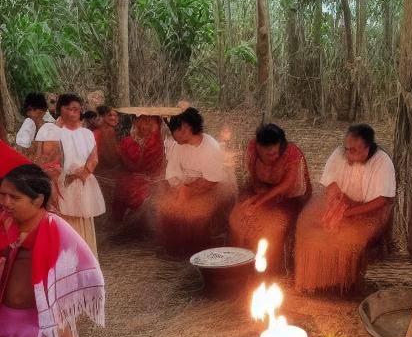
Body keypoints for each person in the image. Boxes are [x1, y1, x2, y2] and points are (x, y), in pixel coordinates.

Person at [0, 141, 105, 337]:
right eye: (2, 195)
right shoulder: (8, 224)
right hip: (6, 315)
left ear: (38, 200)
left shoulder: (55, 227)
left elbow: (89, 270)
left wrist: (62, 314)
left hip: (37, 320)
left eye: (13, 198)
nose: (5, 202)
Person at [295, 124, 396, 295]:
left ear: (367, 148)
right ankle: (316, 282)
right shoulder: (339, 153)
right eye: (347, 148)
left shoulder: (382, 162)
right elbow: (331, 183)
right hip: (343, 202)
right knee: (308, 224)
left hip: (371, 211)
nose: (348, 153)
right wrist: (335, 202)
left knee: (348, 236)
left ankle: (343, 286)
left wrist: (348, 214)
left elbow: (382, 200)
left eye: (354, 150)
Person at [229, 124, 311, 272]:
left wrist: (260, 201)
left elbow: (288, 185)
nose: (274, 156)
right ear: (259, 147)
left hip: (290, 197)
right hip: (262, 189)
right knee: (237, 216)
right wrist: (255, 198)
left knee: (273, 224)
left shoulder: (292, 153)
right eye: (268, 154)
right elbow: (253, 177)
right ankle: (240, 263)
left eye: (275, 153)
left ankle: (272, 267)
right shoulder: (252, 148)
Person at [155, 107, 235, 255]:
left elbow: (212, 181)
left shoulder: (210, 147)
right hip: (185, 184)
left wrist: (187, 191)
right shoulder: (178, 146)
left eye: (175, 129)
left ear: (186, 128)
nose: (172, 134)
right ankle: (174, 248)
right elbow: (173, 171)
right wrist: (178, 189)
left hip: (213, 188)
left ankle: (198, 251)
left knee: (196, 213)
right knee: (166, 207)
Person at [34, 94, 105, 257]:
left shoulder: (87, 134)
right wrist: (63, 178)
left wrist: (83, 173)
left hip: (83, 182)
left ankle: (86, 260)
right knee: (64, 221)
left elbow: (94, 158)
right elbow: (47, 161)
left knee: (83, 221)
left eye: (77, 109)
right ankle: (66, 262)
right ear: (60, 109)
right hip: (59, 183)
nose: (74, 113)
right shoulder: (50, 130)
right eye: (69, 109)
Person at [112, 114, 165, 223]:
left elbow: (144, 168)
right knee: (125, 183)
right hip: (135, 177)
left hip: (150, 179)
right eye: (141, 121)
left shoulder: (156, 143)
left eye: (148, 122)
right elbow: (123, 165)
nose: (143, 126)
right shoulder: (128, 141)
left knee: (132, 185)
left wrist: (122, 154)